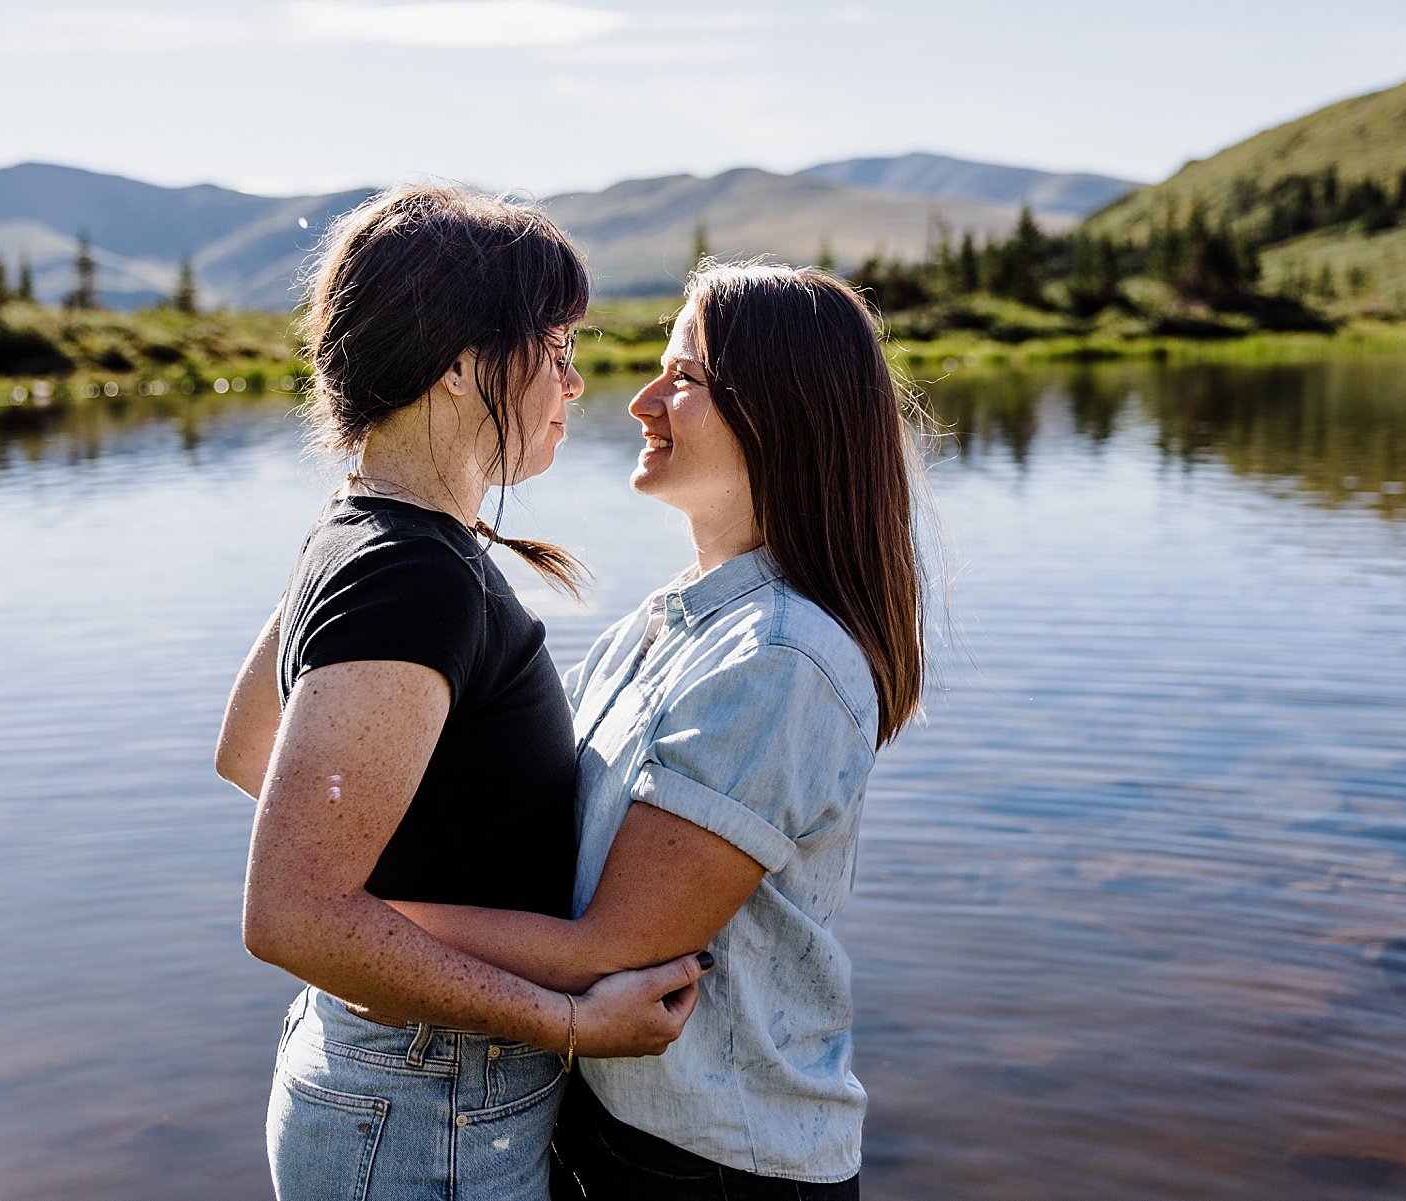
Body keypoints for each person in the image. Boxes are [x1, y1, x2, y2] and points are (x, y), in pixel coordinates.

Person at [216, 184, 713, 1201]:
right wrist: (568, 1019)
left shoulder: (363, 529)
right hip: (425, 1105)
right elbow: (288, 912)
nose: (574, 382)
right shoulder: (414, 572)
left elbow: (248, 754)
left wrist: (400, 905)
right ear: (456, 364)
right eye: (556, 346)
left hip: (399, 1088)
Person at [391, 261, 930, 1199]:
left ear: (783, 413)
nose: (640, 400)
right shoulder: (670, 624)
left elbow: (615, 947)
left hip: (718, 1165)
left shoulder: (779, 660)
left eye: (682, 376)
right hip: (625, 1132)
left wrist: (361, 929)